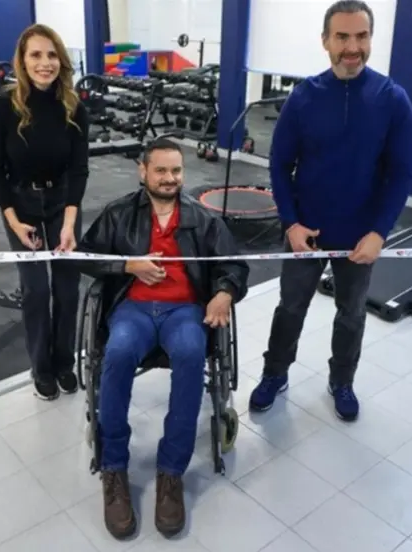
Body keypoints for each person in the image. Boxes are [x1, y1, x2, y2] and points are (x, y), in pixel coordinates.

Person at [249, 0, 412, 420]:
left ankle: (342, 380)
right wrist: (291, 224)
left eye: (361, 36)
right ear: (325, 40)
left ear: (371, 39)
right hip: (305, 233)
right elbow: (279, 165)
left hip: (360, 237)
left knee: (351, 314)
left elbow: (401, 174)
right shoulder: (304, 97)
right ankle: (274, 373)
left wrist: (379, 232)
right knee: (290, 309)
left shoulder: (393, 100)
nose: (352, 47)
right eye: (342, 36)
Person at [76, 138, 249, 539]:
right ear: (143, 171)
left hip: (184, 310)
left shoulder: (202, 218)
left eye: (176, 171)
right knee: (118, 352)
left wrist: (224, 292)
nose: (169, 179)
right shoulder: (119, 213)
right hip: (133, 309)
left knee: (191, 352)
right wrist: (128, 265)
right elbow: (85, 257)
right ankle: (114, 467)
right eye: (161, 171)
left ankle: (171, 472)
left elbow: (234, 265)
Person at [0, 23, 89, 401]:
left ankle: (64, 363)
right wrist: (13, 221)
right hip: (21, 204)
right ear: (22, 61)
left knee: (67, 289)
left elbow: (79, 169)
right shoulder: (3, 108)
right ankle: (41, 368)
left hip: (62, 202)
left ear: (61, 60)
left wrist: (70, 223)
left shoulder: (74, 106)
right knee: (36, 289)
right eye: (36, 55)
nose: (45, 63)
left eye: (51, 55)